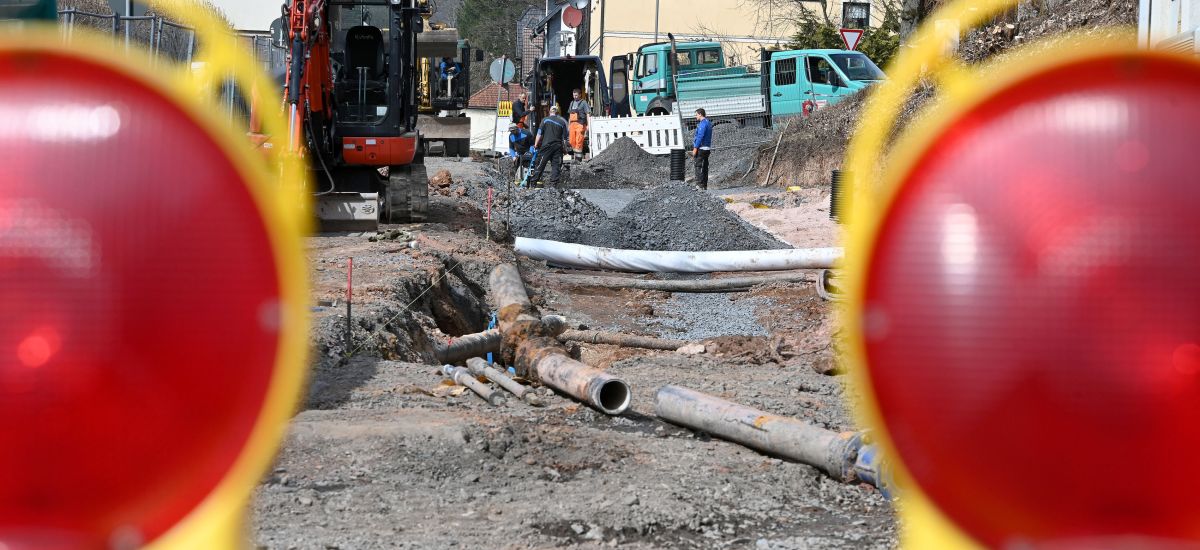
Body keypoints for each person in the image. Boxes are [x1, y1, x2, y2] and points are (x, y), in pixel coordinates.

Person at [529, 105, 569, 187]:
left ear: (549, 112)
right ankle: (553, 186)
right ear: (557, 112)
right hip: (558, 147)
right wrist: (565, 149)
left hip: (546, 146)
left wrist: (536, 144)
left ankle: (533, 184)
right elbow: (565, 139)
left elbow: (539, 133)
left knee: (540, 165)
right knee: (556, 167)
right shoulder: (562, 122)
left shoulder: (545, 120)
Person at [691, 108, 712, 189]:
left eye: (696, 114)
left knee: (698, 166)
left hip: (701, 148)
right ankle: (704, 185)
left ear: (700, 114)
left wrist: (695, 148)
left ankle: (699, 185)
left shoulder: (702, 124)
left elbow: (700, 136)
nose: (696, 116)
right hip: (707, 148)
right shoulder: (708, 123)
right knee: (705, 167)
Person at [567, 88, 590, 159]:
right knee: (571, 141)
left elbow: (588, 113)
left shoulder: (583, 102)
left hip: (580, 124)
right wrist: (568, 125)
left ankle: (578, 159)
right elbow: (570, 115)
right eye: (574, 95)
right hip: (572, 125)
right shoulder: (572, 103)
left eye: (576, 95)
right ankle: (576, 155)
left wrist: (588, 124)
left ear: (580, 95)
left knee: (579, 140)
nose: (575, 97)